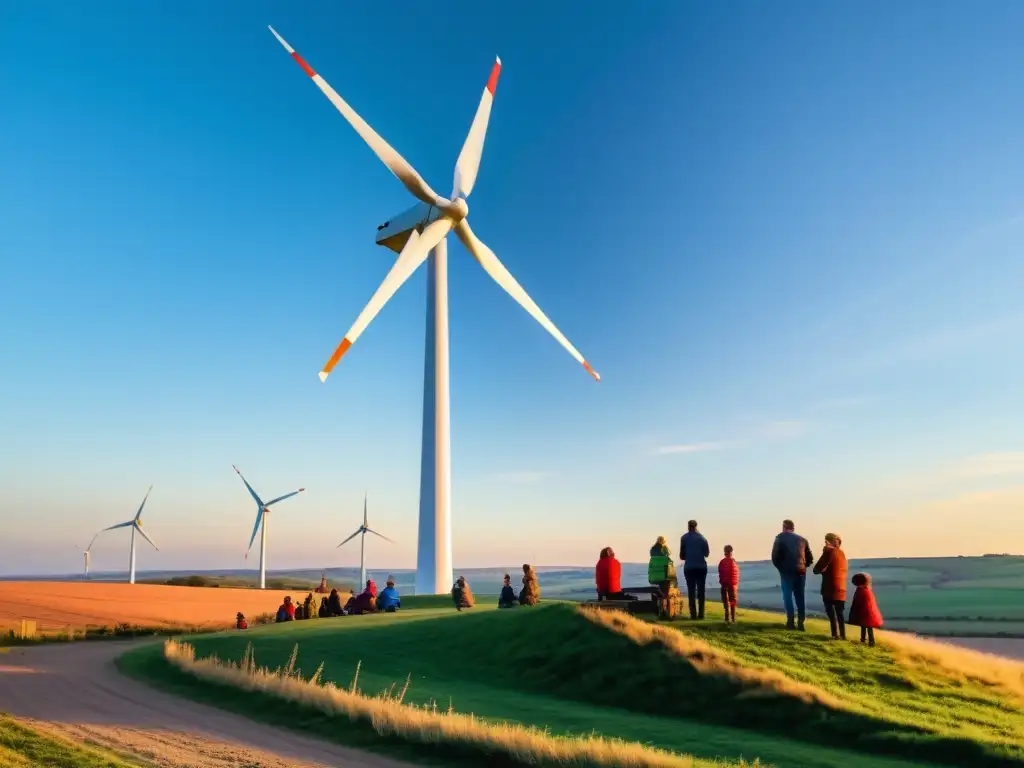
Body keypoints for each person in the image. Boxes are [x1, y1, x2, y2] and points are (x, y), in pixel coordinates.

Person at [771, 519, 813, 630]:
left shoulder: (779, 538)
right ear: (793, 528)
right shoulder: (803, 540)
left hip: (786, 572)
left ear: (784, 527)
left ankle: (790, 622)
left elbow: (774, 557)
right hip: (801, 572)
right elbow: (810, 558)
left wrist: (781, 568)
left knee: (787, 596)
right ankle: (801, 622)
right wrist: (803, 566)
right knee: (800, 597)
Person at [813, 533, 848, 640]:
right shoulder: (842, 554)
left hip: (829, 587)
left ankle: (835, 635)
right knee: (840, 614)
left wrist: (825, 552)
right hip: (841, 588)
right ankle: (843, 635)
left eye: (826, 540)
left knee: (831, 614)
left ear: (829, 541)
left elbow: (816, 569)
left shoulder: (829, 552)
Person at [680, 520, 710, 620]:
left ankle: (693, 615)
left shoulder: (684, 538)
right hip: (701, 567)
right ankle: (701, 615)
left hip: (689, 567)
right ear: (696, 526)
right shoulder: (703, 538)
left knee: (691, 591)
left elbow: (682, 556)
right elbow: (706, 554)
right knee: (701, 591)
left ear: (688, 527)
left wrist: (689, 555)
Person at [848, 572, 884, 646]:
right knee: (865, 627)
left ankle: (870, 642)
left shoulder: (863, 591)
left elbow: (861, 603)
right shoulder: (866, 590)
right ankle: (864, 640)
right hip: (867, 613)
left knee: (867, 628)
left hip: (866, 614)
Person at [717, 545, 739, 623]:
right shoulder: (734, 562)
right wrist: (735, 583)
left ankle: (727, 616)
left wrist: (722, 582)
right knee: (733, 601)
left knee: (725, 601)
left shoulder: (722, 562)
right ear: (731, 552)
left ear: (725, 552)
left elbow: (720, 572)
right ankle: (733, 618)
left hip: (724, 584)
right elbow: (736, 575)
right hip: (732, 585)